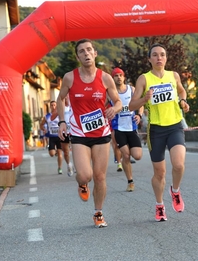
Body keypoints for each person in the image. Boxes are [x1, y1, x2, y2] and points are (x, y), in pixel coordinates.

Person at [57, 38, 122, 228]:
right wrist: (62, 122)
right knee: (85, 175)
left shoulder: (105, 78)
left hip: (101, 132)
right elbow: (60, 99)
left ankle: (98, 213)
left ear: (95, 53)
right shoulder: (70, 77)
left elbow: (118, 101)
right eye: (82, 51)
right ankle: (82, 183)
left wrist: (114, 110)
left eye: (89, 50)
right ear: (78, 56)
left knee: (100, 176)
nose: (86, 54)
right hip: (79, 132)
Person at [129, 43, 190, 222]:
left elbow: (181, 90)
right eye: (155, 55)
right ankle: (159, 205)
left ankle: (175, 191)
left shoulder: (174, 75)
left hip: (175, 126)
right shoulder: (144, 79)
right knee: (160, 173)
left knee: (178, 165)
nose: (159, 58)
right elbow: (132, 105)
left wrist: (184, 101)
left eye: (162, 54)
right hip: (156, 129)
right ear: (149, 59)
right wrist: (144, 99)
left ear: (166, 58)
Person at [109, 67, 143, 192]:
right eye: (116, 75)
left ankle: (124, 160)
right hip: (119, 128)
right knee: (126, 154)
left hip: (131, 127)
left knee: (137, 155)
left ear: (124, 77)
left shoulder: (132, 90)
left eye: (120, 75)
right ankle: (130, 181)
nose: (118, 77)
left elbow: (140, 104)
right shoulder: (111, 93)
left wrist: (139, 115)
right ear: (112, 78)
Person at [40, 101, 64, 174]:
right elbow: (41, 124)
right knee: (52, 154)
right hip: (51, 137)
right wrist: (44, 129)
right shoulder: (47, 116)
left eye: (54, 105)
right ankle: (55, 151)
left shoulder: (60, 115)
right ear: (50, 107)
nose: (53, 107)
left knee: (60, 153)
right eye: (51, 105)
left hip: (59, 136)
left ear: (56, 106)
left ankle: (60, 168)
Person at [61, 95, 75, 177]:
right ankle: (69, 164)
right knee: (66, 151)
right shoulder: (61, 107)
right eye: (65, 95)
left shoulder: (74, 104)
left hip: (74, 130)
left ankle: (78, 165)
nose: (66, 97)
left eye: (68, 95)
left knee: (76, 149)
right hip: (64, 131)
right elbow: (53, 117)